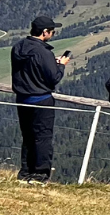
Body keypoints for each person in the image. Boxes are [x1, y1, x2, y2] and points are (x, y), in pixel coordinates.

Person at [11, 16, 70, 183]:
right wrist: (61, 65)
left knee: (28, 137)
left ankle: (25, 172)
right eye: (52, 31)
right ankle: (40, 174)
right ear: (45, 32)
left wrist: (51, 62)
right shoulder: (43, 52)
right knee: (43, 137)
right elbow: (54, 78)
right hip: (41, 100)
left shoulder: (18, 47)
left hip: (22, 98)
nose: (53, 34)